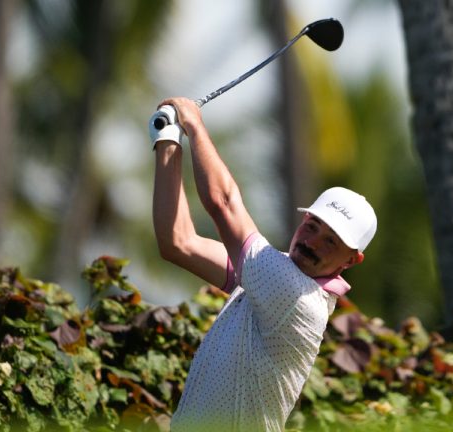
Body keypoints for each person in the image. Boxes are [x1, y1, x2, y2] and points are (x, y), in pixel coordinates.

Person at [150, 97, 377, 431]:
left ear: (352, 260)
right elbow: (178, 242)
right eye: (311, 226)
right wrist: (168, 139)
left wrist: (194, 124)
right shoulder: (268, 274)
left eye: (331, 241)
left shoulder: (295, 296)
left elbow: (224, 204)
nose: (311, 242)